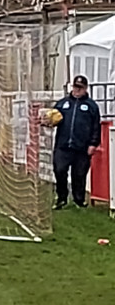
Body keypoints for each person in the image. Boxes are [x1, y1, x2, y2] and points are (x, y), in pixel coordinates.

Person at [45, 74, 101, 209]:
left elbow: (96, 127)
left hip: (82, 147)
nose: (77, 90)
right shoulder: (63, 103)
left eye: (80, 88)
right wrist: (46, 121)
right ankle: (61, 198)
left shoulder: (91, 106)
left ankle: (79, 200)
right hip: (63, 146)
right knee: (59, 170)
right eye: (75, 87)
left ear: (85, 88)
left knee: (79, 174)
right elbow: (52, 118)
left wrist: (93, 144)